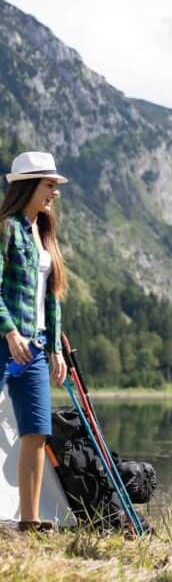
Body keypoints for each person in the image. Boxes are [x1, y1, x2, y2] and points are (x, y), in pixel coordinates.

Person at [0, 152, 69, 532]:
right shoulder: (6, 228)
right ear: (27, 185)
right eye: (49, 185)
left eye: (55, 186)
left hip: (37, 347)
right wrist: (9, 332)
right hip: (5, 342)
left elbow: (51, 297)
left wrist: (55, 348)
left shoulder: (42, 235)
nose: (54, 193)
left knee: (36, 432)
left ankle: (30, 522)